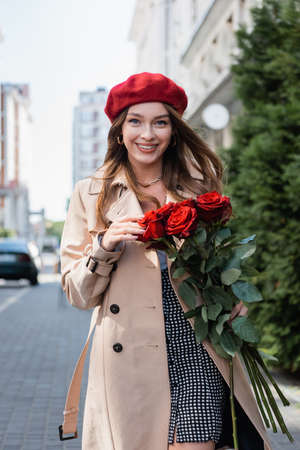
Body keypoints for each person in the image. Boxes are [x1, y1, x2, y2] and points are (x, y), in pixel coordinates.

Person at [60, 73, 271, 450]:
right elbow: (77, 294)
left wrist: (231, 297)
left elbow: (217, 261)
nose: (148, 134)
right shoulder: (90, 193)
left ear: (173, 131)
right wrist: (104, 246)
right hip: (129, 354)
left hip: (197, 342)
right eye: (135, 122)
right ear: (119, 131)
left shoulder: (198, 187)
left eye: (160, 122)